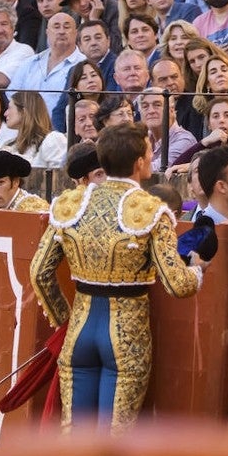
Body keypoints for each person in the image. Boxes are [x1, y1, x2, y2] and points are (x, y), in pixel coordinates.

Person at [29, 121, 206, 433]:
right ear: (139, 162)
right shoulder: (151, 209)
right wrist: (198, 271)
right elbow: (178, 285)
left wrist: (65, 323)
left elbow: (40, 273)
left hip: (80, 329)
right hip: (127, 332)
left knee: (76, 435)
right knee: (113, 437)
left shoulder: (72, 203)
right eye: (150, 154)